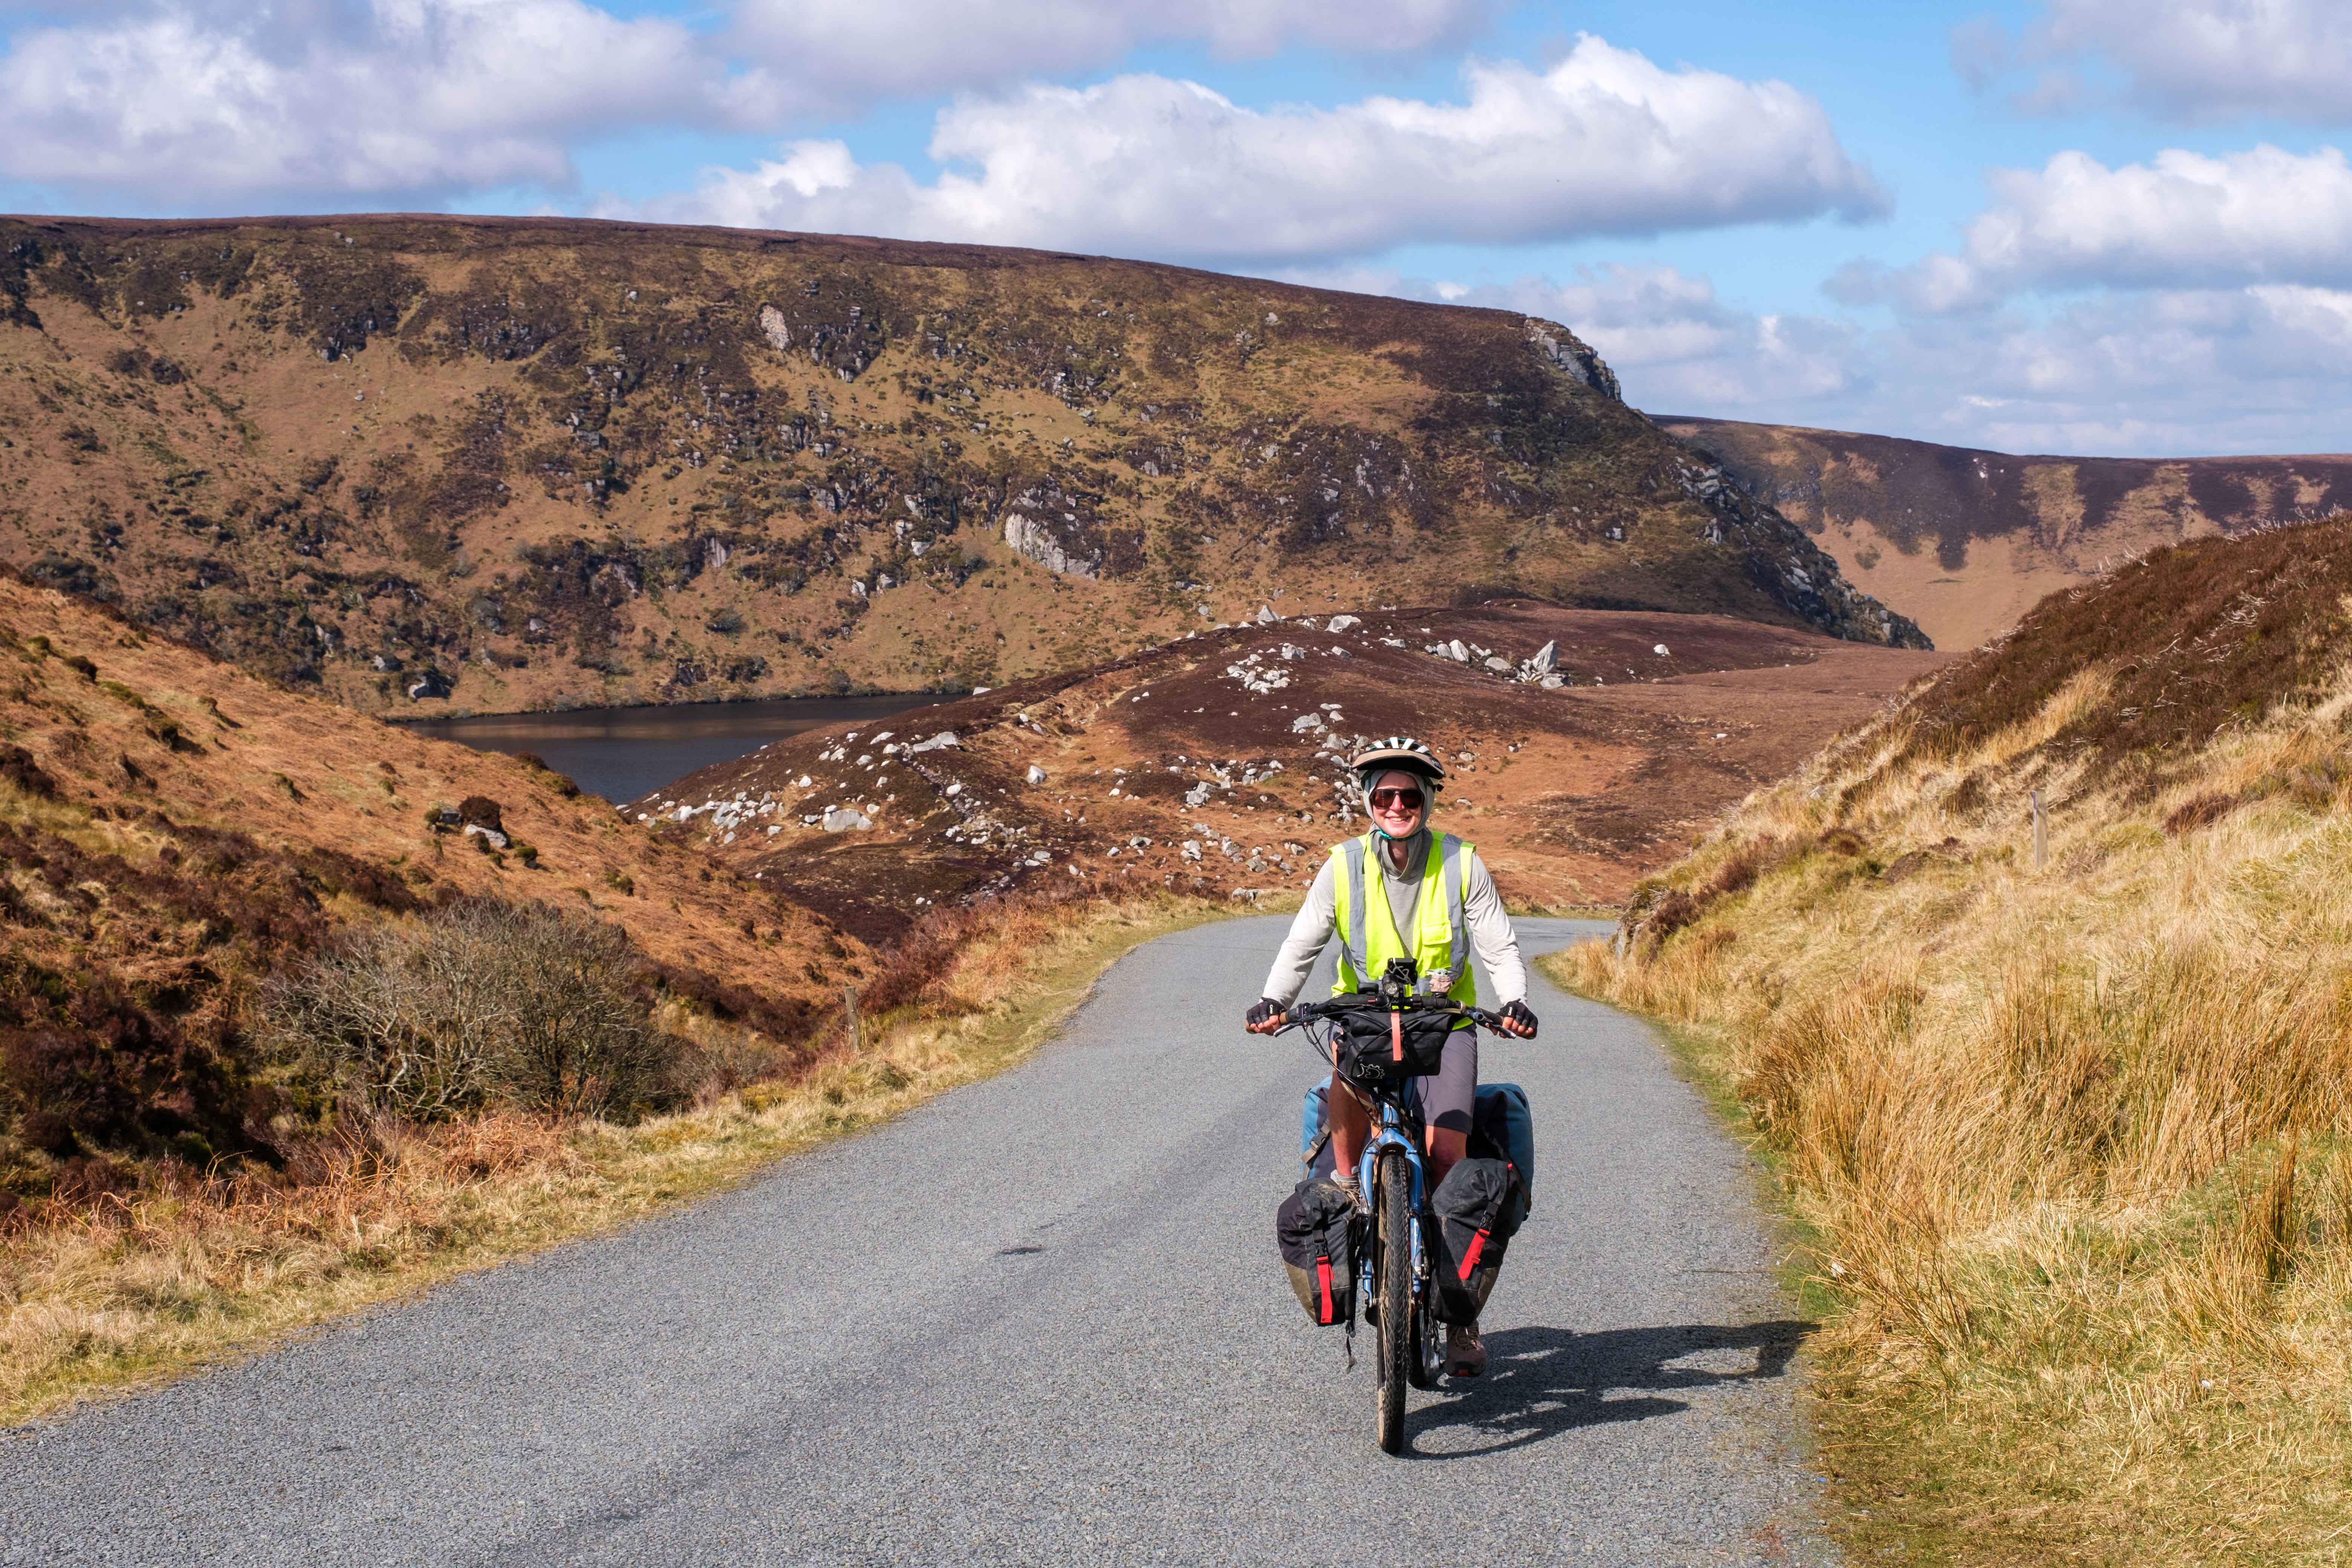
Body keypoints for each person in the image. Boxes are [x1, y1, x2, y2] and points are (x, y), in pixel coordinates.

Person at [1244, 736, 1538, 1378]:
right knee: (1343, 1077)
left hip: (1444, 1022)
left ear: (1428, 800)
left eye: (1410, 794)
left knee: (1446, 1155)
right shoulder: (1342, 865)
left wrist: (1513, 1001)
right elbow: (1304, 940)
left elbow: (1497, 944)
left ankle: (1459, 1317)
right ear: (1368, 803)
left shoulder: (1462, 863)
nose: (1398, 804)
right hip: (1367, 1018)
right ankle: (1350, 1192)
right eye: (1385, 795)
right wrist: (1274, 999)